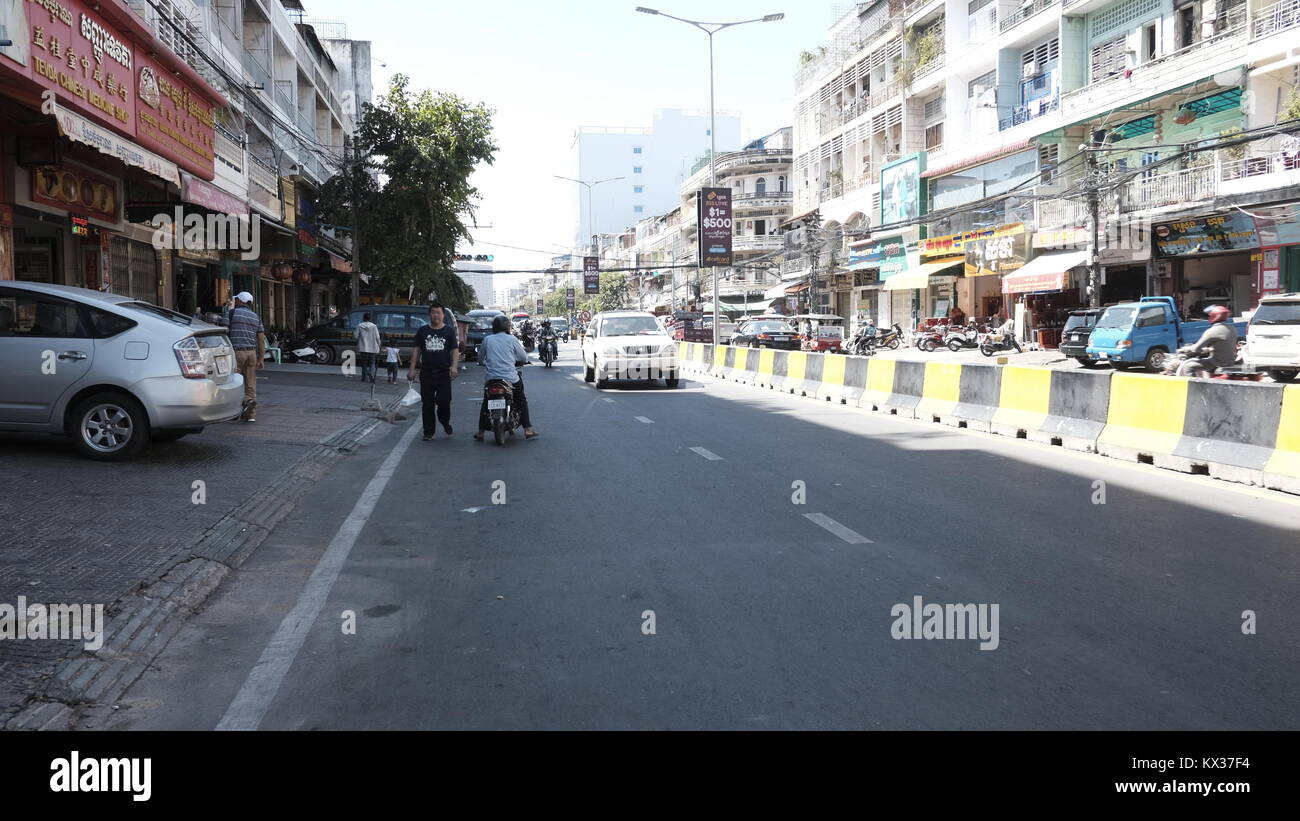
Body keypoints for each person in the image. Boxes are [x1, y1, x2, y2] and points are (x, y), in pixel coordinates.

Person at [474, 316, 537, 441]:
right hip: (510, 378)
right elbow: (523, 358)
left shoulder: (487, 339)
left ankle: (481, 432)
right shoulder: (512, 339)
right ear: (507, 327)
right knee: (521, 400)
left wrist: (484, 363)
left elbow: (480, 359)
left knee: (486, 401)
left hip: (491, 379)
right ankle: (528, 429)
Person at [408, 303, 460, 440]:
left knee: (444, 402)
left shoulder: (449, 331)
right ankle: (428, 432)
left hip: (444, 373)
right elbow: (416, 350)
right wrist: (412, 369)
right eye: (433, 312)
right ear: (429, 314)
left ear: (443, 315)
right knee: (427, 404)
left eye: (438, 313)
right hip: (427, 373)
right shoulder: (422, 331)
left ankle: (444, 421)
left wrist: (454, 367)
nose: (436, 315)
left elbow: (454, 350)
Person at [222, 291, 266, 422]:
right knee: (250, 384)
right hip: (251, 353)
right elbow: (261, 339)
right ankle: (251, 414)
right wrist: (261, 358)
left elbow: (224, 332)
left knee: (234, 382)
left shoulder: (231, 313)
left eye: (237, 300)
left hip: (237, 352)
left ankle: (233, 412)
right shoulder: (256, 316)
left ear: (240, 301)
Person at [1177, 305, 1238, 377]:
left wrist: (1183, 349)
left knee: (1188, 367)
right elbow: (1223, 344)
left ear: (1214, 316)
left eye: (1210, 315)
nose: (1208, 317)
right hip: (1230, 361)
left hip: (1218, 363)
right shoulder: (1232, 328)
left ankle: (1194, 387)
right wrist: (1209, 349)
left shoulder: (1213, 331)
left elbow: (1196, 349)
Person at [355, 312, 381, 383]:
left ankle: (364, 378)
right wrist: (379, 345)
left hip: (363, 348)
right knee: (372, 363)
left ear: (363, 318)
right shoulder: (374, 326)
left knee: (364, 363)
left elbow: (356, 336)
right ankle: (370, 372)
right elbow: (377, 337)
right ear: (370, 318)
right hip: (373, 348)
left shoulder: (359, 326)